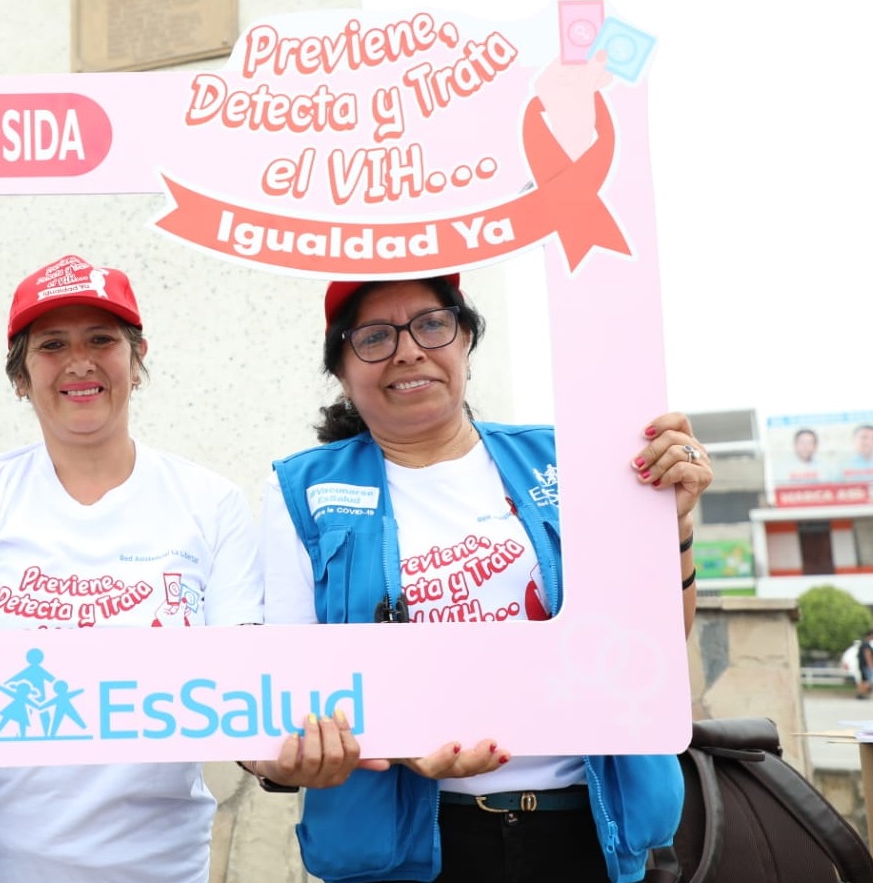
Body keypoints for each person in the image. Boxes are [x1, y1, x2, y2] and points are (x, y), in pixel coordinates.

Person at [255, 275, 711, 883]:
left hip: (585, 830)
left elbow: (653, 649)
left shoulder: (570, 460)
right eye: (374, 337)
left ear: (465, 339)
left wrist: (671, 524)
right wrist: (395, 738)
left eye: (432, 324)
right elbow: (294, 683)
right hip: (405, 850)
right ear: (340, 368)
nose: (408, 351)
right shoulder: (301, 490)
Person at [0, 255, 266, 883]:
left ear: (137, 357)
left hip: (161, 871)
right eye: (52, 345)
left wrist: (286, 758)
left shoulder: (211, 503)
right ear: (20, 376)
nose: (80, 363)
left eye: (102, 340)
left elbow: (248, 692)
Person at [857, 627, 873, 700]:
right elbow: (867, 655)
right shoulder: (866, 644)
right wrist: (870, 666)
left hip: (862, 665)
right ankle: (863, 693)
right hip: (866, 666)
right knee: (868, 681)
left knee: (863, 680)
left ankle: (860, 694)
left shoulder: (863, 642)